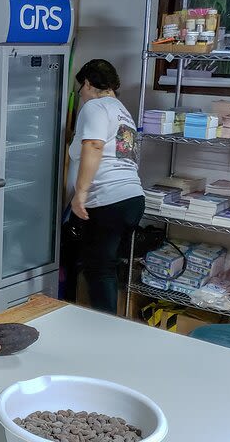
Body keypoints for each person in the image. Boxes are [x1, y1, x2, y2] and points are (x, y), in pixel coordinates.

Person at [65, 59, 145, 314]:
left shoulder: (95, 107)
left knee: (99, 269)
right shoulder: (122, 111)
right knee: (105, 266)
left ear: (88, 83)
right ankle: (107, 323)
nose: (81, 96)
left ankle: (106, 329)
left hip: (109, 199)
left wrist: (81, 193)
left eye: (80, 90)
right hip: (132, 198)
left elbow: (94, 146)